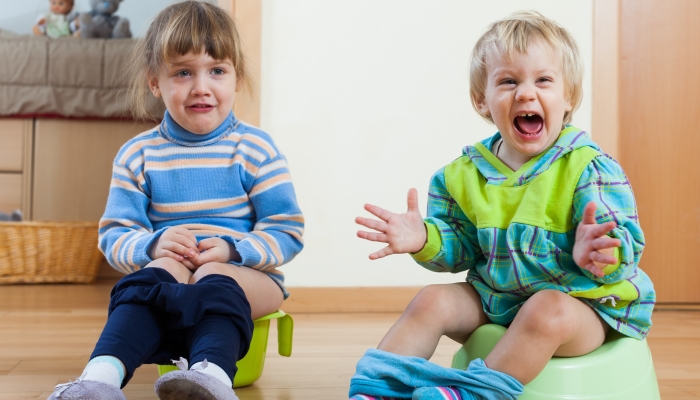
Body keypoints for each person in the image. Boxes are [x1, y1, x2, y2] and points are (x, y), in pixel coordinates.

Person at [349, 10, 654, 400]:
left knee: (546, 308)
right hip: (498, 300)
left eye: (543, 80)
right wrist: (425, 238)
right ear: (482, 100)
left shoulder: (588, 168)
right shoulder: (460, 175)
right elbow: (458, 251)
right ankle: (378, 389)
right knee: (433, 298)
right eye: (508, 81)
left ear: (568, 97)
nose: (526, 93)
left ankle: (477, 392)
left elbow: (623, 241)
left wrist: (598, 252)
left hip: (583, 309)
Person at [47, 2, 304, 399]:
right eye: (183, 72)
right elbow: (116, 234)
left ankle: (213, 377)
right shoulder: (138, 154)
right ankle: (99, 378)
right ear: (155, 82)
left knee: (212, 281)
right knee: (144, 283)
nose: (201, 86)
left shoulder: (255, 149)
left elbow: (286, 231)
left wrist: (234, 251)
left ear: (236, 78)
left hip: (248, 276)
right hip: (173, 277)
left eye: (216, 70)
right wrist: (152, 244)